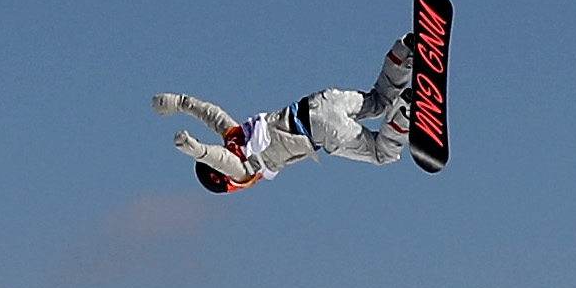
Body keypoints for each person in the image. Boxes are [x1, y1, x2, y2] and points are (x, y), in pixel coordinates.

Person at [153, 35, 416, 193]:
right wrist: (180, 102)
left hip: (320, 128)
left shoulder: (243, 168)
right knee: (378, 101)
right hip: (320, 101)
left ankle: (405, 112)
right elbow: (214, 115)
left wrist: (196, 149)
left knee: (383, 154)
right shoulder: (236, 136)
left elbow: (223, 161)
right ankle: (404, 52)